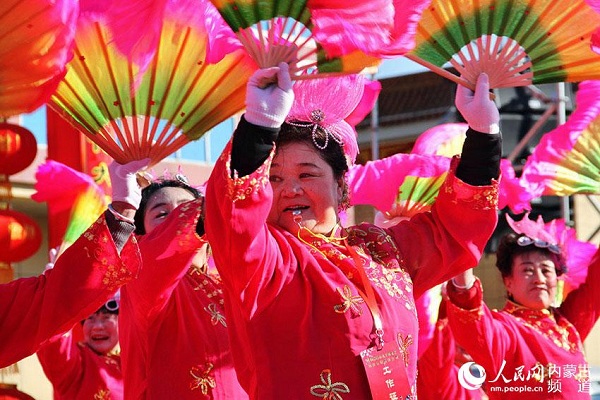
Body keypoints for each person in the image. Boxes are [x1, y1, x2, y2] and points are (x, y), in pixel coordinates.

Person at [204, 62, 501, 399]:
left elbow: (453, 229)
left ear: (339, 185)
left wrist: (483, 132)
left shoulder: (381, 248)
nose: (289, 189)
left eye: (307, 175)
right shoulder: (267, 260)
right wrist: (258, 125)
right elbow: (232, 219)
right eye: (274, 178)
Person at [0, 160, 147, 368]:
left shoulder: (134, 366)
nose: (98, 326)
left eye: (106, 317)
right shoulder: (76, 368)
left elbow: (49, 301)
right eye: (93, 318)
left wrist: (123, 211)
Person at [116, 174, 247, 399]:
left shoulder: (230, 286)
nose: (178, 217)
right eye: (162, 214)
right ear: (142, 234)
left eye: (186, 208)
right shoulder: (141, 279)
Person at [447, 214, 600, 399]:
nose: (539, 279)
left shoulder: (567, 324)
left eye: (546, 270)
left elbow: (596, 280)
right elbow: (474, 324)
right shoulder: (506, 329)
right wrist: (463, 265)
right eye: (527, 270)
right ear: (508, 281)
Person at [37, 295, 123, 399]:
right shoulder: (76, 363)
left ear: (122, 322)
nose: (97, 327)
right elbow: (55, 331)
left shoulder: (133, 361)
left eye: (106, 317)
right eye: (90, 318)